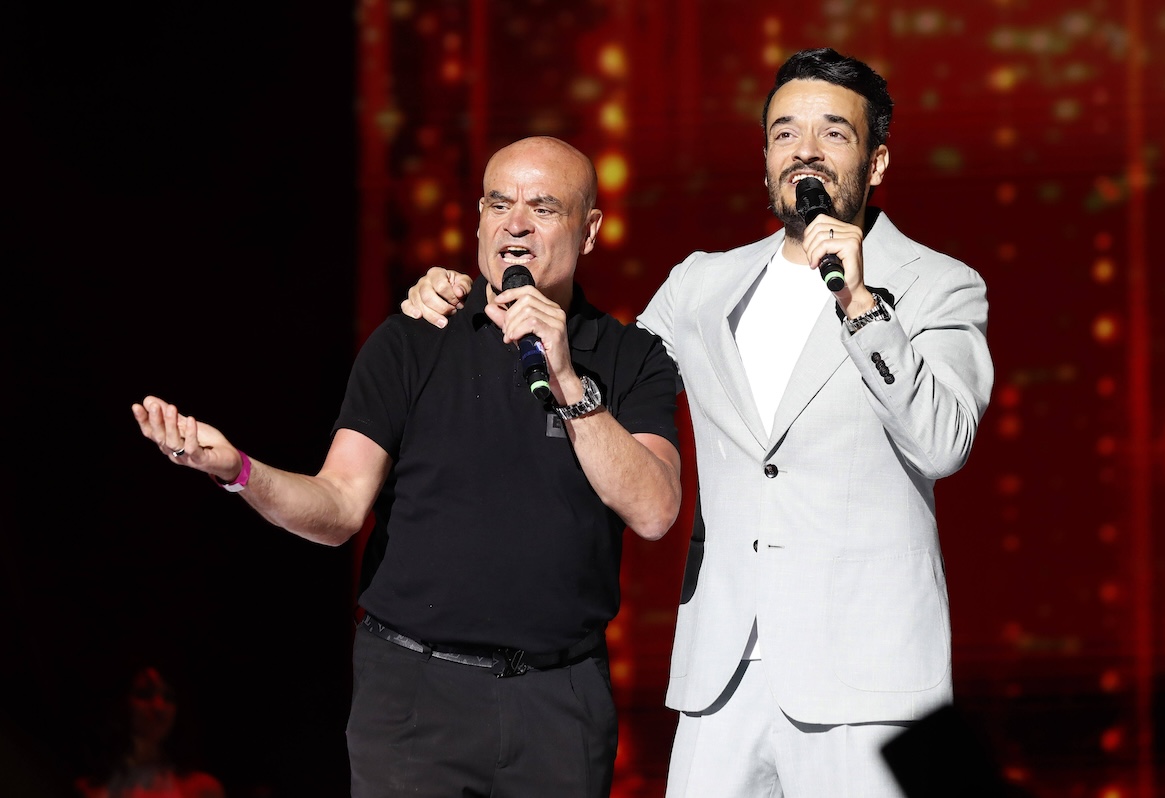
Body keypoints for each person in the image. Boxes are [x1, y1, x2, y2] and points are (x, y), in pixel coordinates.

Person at [400, 48, 994, 797]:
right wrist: (470, 289)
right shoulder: (701, 284)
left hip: (864, 678)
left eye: (832, 134)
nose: (804, 149)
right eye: (784, 133)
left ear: (875, 163)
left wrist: (861, 307)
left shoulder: (937, 283)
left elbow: (943, 442)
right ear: (767, 156)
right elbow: (597, 377)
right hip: (722, 671)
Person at [131, 136, 683, 797]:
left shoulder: (631, 357)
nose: (515, 224)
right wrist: (239, 470)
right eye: (499, 203)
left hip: (558, 706)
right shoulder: (414, 337)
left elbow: (654, 511)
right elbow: (337, 509)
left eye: (543, 206)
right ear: (478, 218)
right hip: (416, 698)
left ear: (589, 230)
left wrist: (566, 378)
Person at [74, 666, 225, 798]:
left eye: (168, 697)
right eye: (145, 694)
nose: (159, 706)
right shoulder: (88, 788)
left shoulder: (201, 788)